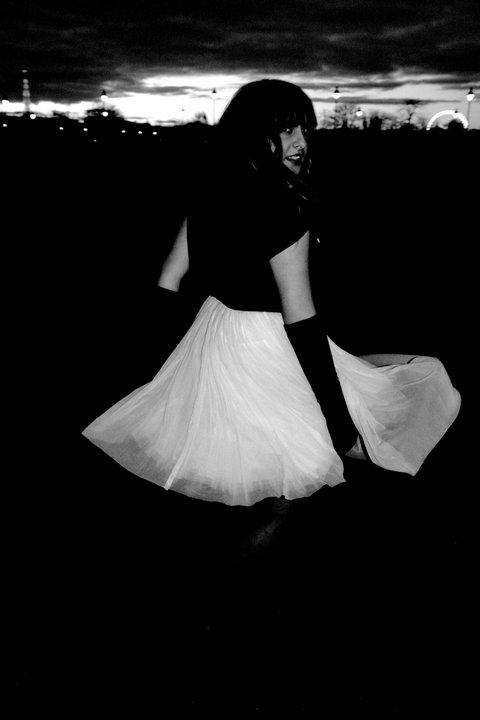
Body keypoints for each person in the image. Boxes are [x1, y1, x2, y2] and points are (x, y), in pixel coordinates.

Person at [81, 79, 461, 507]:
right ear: (254, 135)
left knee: (241, 470)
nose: (301, 142)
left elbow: (168, 281)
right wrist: (338, 424)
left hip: (214, 336)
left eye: (304, 129)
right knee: (307, 462)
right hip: (266, 349)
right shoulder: (284, 208)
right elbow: (301, 320)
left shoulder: (208, 192)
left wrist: (160, 370)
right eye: (286, 130)